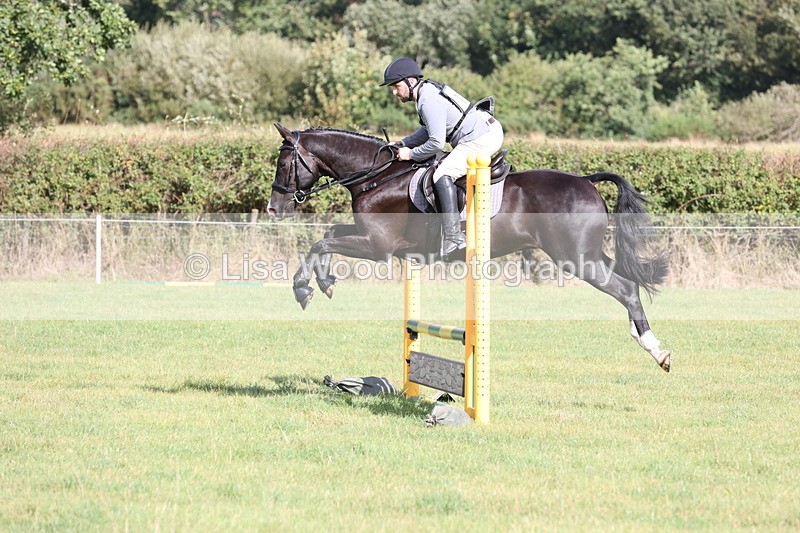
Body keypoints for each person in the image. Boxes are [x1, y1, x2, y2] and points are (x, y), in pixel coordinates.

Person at [380, 57, 504, 258]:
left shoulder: (427, 100)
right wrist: (403, 143)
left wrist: (409, 154)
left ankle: (454, 237)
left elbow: (436, 143)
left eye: (396, 86)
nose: (394, 92)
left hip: (482, 137)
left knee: (441, 174)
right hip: (483, 128)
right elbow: (427, 130)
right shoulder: (426, 91)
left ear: (410, 82)